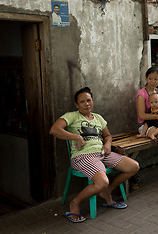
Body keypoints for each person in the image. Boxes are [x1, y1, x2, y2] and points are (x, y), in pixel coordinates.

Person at [50, 87, 139, 223]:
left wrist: (107, 144)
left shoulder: (98, 118)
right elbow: (54, 130)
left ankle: (107, 191)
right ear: (76, 104)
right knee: (102, 181)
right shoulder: (72, 116)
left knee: (133, 166)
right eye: (82, 101)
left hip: (102, 153)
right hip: (83, 156)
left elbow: (108, 135)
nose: (87, 104)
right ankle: (75, 203)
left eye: (89, 100)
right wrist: (77, 137)